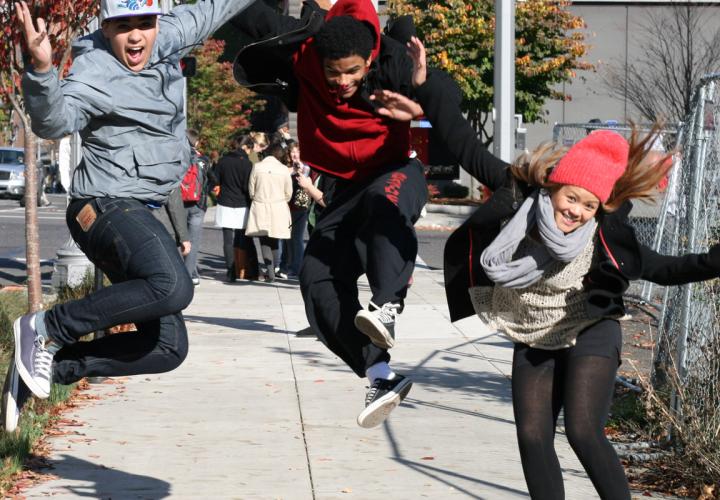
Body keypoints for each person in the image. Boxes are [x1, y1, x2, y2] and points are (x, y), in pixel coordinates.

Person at [372, 37, 720, 499]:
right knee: (532, 436)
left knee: (582, 430)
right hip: (534, 330)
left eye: (589, 205)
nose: (575, 211)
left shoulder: (606, 235)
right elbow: (462, 144)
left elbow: (664, 268)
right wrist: (426, 82)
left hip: (590, 326)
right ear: (555, 187)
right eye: (571, 197)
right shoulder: (517, 198)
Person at [1, 0, 255, 433]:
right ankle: (45, 326)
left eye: (143, 25)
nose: (135, 37)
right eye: (123, 27)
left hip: (138, 212)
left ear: (157, 22)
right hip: (99, 207)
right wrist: (42, 73)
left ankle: (41, 372)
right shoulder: (94, 70)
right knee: (173, 286)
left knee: (168, 348)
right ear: (106, 26)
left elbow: (218, 6)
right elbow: (54, 121)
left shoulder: (172, 33)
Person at [232, 0, 435, 427]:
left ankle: (387, 305)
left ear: (370, 61)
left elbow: (438, 102)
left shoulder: (394, 59)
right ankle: (381, 375)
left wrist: (421, 83)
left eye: (353, 72)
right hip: (343, 187)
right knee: (316, 279)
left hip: (394, 170)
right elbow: (251, 15)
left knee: (385, 208)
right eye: (333, 72)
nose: (342, 82)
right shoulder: (304, 51)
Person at [245, 141, 293, 282]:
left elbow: (251, 191)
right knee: (275, 238)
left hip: (260, 206)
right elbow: (288, 193)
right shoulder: (284, 169)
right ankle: (275, 267)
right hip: (278, 207)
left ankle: (270, 272)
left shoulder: (257, 167)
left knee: (264, 240)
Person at [212, 134, 257, 282]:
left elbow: (215, 179)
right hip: (242, 204)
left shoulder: (223, 161)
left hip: (225, 202)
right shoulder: (247, 164)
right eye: (250, 149)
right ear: (246, 147)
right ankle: (243, 269)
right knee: (243, 238)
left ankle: (230, 271)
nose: (250, 152)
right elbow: (248, 187)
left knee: (227, 240)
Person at [278, 141, 311, 279]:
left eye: (297, 152)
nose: (294, 155)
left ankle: (297, 267)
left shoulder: (306, 167)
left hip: (299, 206)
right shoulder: (285, 167)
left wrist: (299, 169)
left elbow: (306, 174)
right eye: (292, 152)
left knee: (296, 238)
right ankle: (285, 265)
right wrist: (291, 170)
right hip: (286, 206)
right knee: (286, 238)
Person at [183, 129, 211, 286]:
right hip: (198, 205)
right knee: (193, 241)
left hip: (180, 203)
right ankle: (190, 275)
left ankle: (181, 272)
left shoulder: (178, 157)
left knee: (180, 239)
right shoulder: (204, 160)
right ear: (197, 143)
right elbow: (210, 180)